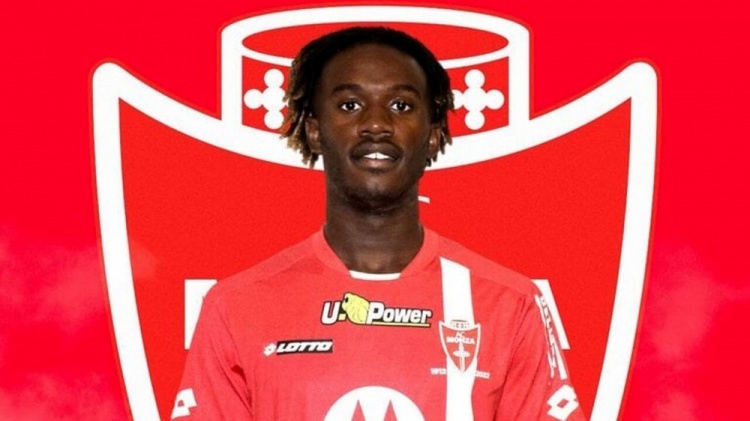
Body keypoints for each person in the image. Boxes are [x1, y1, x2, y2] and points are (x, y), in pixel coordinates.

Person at [172, 26, 587, 420]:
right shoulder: (236, 306)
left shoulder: (509, 304)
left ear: (432, 136)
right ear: (315, 132)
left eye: (401, 105)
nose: (376, 125)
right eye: (350, 105)